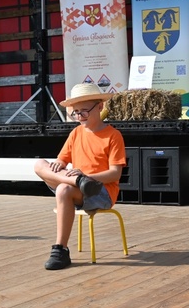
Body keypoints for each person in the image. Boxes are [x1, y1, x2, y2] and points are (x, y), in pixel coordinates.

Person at [33, 83, 126, 270]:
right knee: (39, 164)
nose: (79, 117)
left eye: (83, 111)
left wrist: (87, 176)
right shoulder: (75, 132)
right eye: (75, 113)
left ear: (100, 107)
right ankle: (78, 182)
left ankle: (60, 249)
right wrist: (59, 165)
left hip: (101, 191)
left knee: (63, 188)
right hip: (77, 185)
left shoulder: (113, 135)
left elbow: (115, 173)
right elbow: (61, 161)